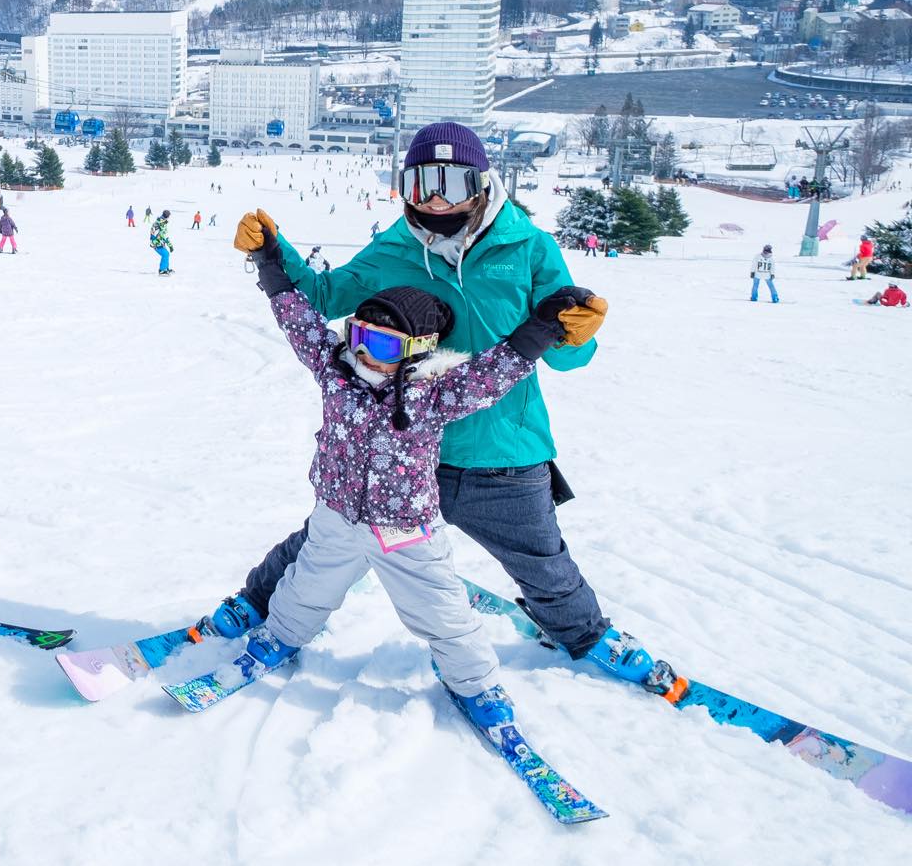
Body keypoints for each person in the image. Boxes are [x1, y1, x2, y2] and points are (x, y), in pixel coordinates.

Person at [215, 123, 657, 688]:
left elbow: (571, 359)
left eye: (452, 181)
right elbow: (323, 299)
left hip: (498, 451)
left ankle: (585, 635)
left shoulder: (528, 248)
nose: (436, 198)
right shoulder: (395, 247)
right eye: (421, 181)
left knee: (543, 561)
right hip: (397, 450)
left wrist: (575, 333)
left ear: (482, 182)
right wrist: (273, 255)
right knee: (324, 539)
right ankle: (257, 601)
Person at [232, 213, 595, 727]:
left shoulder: (433, 394)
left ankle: (477, 684)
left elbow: (495, 371)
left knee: (442, 614)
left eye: (380, 345)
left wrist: (541, 330)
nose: (361, 351)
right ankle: (280, 636)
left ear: (416, 352)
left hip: (406, 532)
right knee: (305, 589)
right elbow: (296, 314)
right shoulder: (337, 372)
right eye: (358, 335)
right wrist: (269, 262)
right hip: (336, 517)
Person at [150, 210, 174, 275]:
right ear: (167, 216)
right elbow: (164, 235)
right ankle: (162, 270)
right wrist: (170, 245)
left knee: (166, 254)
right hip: (157, 243)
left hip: (159, 242)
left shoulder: (160, 221)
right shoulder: (162, 223)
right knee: (165, 254)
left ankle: (166, 268)